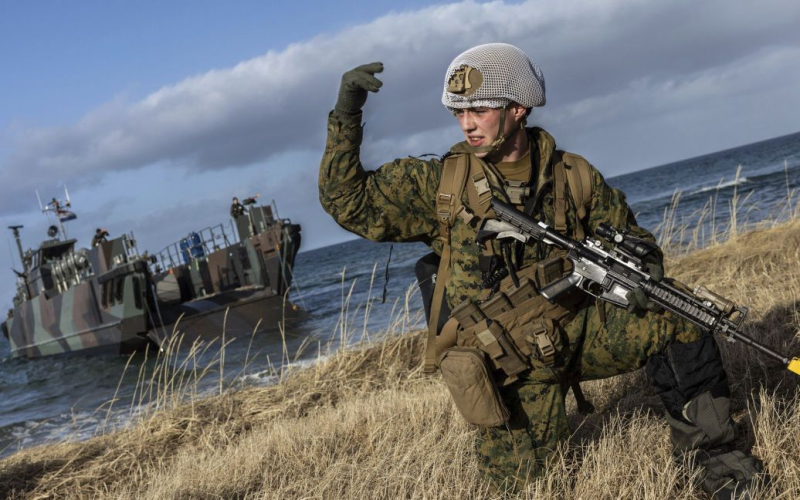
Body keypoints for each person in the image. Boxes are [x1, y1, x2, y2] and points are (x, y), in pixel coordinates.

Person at [318, 43, 764, 498]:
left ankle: (716, 460)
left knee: (678, 313)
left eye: (480, 109)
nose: (467, 123)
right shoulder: (438, 186)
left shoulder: (574, 176)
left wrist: (636, 274)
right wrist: (346, 116)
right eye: (459, 112)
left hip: (580, 333)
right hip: (512, 367)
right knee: (530, 489)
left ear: (518, 108)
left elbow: (640, 246)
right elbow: (347, 203)